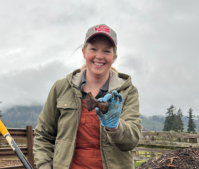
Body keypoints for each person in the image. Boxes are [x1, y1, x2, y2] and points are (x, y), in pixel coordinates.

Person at [33, 24, 142, 169]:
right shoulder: (61, 88)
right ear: (84, 52)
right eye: (93, 49)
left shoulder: (127, 92)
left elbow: (131, 141)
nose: (99, 56)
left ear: (114, 57)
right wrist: (45, 166)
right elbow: (43, 135)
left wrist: (115, 127)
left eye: (106, 51)